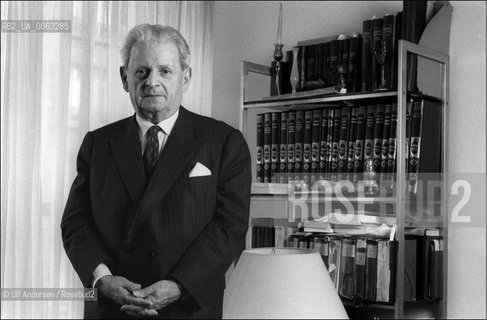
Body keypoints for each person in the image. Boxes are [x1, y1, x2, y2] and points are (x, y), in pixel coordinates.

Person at [61, 24, 251, 319]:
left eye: (165, 71)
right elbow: (75, 222)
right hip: (113, 308)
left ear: (185, 78)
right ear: (125, 78)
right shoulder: (98, 143)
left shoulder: (224, 142)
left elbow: (230, 226)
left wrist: (179, 286)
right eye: (142, 71)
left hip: (187, 307)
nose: (152, 82)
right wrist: (103, 279)